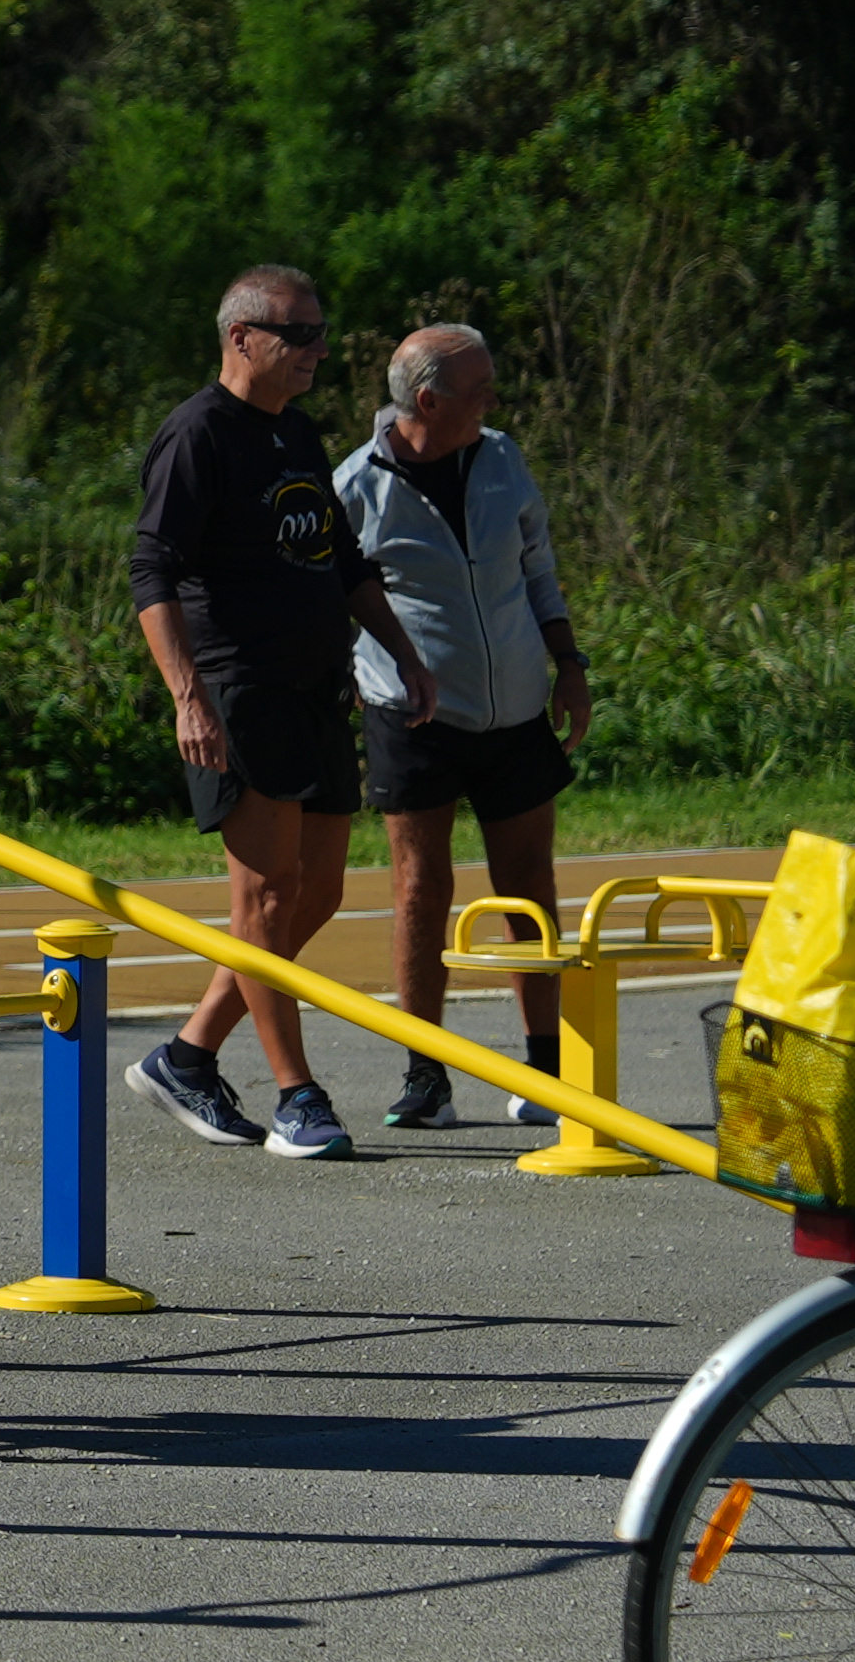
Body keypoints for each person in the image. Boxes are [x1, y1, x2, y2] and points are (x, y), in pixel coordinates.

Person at [127, 264, 439, 1160]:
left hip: (318, 684)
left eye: (321, 334)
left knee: (319, 890)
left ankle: (189, 1055)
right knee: (265, 896)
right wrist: (189, 696)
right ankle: (298, 1096)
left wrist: (405, 655)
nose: (318, 351)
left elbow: (343, 562)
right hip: (238, 689)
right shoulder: (197, 435)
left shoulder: (296, 434)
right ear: (242, 338)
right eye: (298, 335)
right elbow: (153, 573)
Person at [336, 324, 592, 1127]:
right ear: (427, 400)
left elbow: (537, 562)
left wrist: (568, 661)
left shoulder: (503, 457)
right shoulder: (355, 484)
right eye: (479, 388)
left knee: (529, 884)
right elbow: (330, 594)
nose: (493, 399)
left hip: (515, 708)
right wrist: (343, 677)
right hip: (413, 716)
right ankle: (425, 1073)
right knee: (421, 888)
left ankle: (545, 1066)